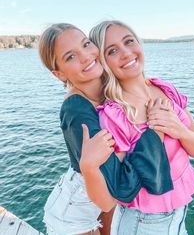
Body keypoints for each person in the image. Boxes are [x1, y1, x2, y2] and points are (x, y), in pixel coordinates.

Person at [39, 23, 173, 235]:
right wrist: (156, 130)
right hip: (74, 214)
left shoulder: (109, 85)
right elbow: (120, 190)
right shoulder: (76, 112)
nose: (85, 56)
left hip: (100, 207)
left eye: (86, 44)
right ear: (59, 74)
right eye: (70, 57)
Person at [88, 20, 194, 235]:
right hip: (144, 221)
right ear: (103, 62)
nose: (126, 53)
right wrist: (156, 134)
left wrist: (178, 129)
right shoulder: (114, 115)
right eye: (112, 51)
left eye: (129, 41)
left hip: (178, 210)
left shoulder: (165, 90)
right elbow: (121, 185)